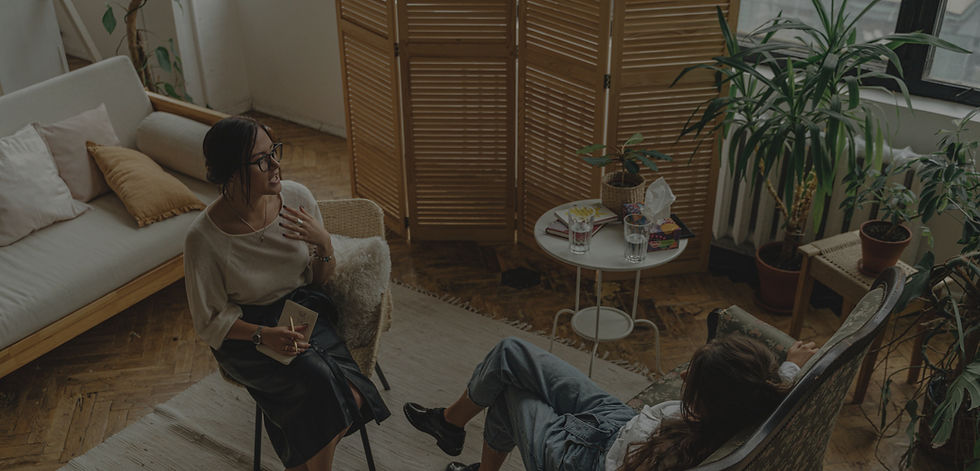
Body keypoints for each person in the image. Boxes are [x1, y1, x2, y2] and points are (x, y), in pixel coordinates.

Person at [183, 116, 390, 471]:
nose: (276, 165)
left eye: (274, 151)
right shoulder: (204, 239)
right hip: (243, 332)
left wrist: (324, 243)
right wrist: (264, 334)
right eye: (262, 159)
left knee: (351, 395)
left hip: (302, 308)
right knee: (323, 384)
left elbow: (319, 279)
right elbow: (210, 321)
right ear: (232, 171)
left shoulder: (296, 197)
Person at [404, 335, 818, 471]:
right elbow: (774, 388)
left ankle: (456, 436)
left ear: (712, 400)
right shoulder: (757, 399)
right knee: (511, 352)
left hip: (585, 458)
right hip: (621, 421)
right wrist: (790, 367)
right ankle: (449, 424)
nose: (684, 376)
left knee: (509, 393)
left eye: (693, 378)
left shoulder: (680, 452)